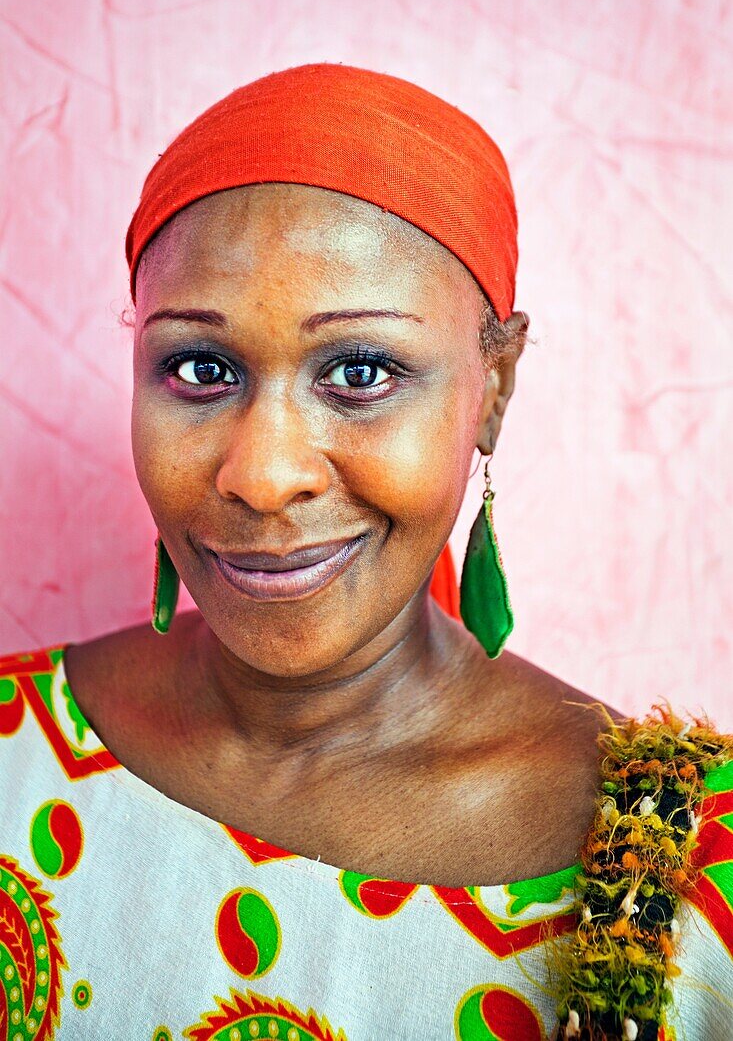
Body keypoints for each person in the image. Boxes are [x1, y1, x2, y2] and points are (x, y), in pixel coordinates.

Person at [0, 63, 730, 1041]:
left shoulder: (685, 864)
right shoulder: (15, 755)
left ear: (494, 389)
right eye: (198, 367)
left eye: (360, 370)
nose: (262, 476)